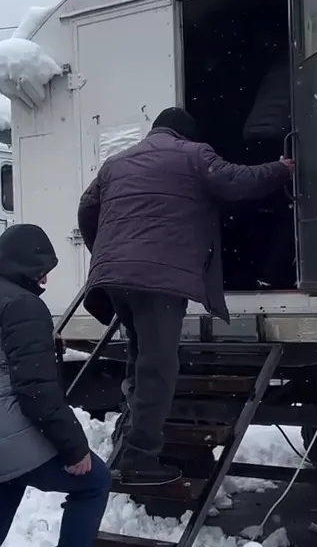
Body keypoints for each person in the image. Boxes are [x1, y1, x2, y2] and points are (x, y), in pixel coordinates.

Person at [77, 107, 293, 486]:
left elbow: (86, 208)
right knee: (159, 369)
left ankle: (128, 445)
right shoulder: (195, 154)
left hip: (115, 280)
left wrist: (107, 254)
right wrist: (282, 169)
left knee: (139, 360)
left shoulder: (117, 162)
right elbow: (236, 181)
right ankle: (140, 458)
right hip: (158, 280)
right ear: (187, 134)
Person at [0, 223, 116, 547]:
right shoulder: (23, 305)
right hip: (8, 438)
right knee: (95, 480)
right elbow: (36, 389)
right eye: (42, 270)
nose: (45, 279)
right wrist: (74, 448)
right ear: (25, 265)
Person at [242, 53, 298, 289]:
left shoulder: (274, 70)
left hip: (252, 136)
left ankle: (258, 271)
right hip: (277, 137)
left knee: (260, 204)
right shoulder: (299, 68)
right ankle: (271, 273)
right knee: (288, 209)